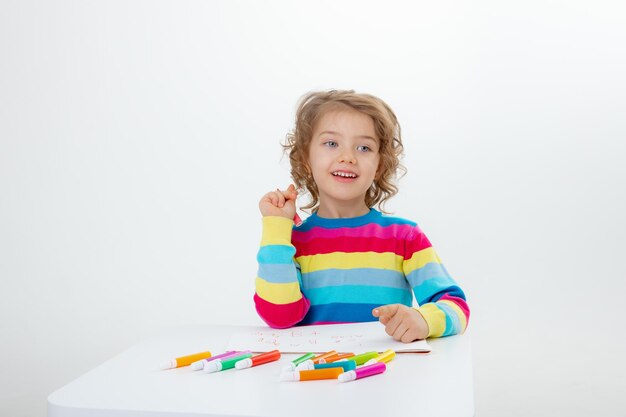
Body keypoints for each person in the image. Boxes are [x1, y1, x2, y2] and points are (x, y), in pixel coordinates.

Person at [254, 89, 469, 342]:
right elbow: (279, 317)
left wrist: (424, 320)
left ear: (379, 165)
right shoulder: (290, 243)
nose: (348, 157)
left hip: (387, 373)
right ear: (305, 159)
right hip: (316, 375)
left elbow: (457, 308)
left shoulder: (405, 237)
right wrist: (276, 228)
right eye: (331, 143)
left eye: (364, 147)